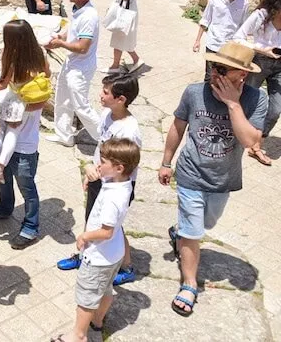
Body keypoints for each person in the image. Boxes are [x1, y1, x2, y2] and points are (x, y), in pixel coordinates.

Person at [159, 41, 266, 316]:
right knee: (193, 232)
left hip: (223, 179)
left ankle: (179, 231)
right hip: (190, 173)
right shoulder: (194, 92)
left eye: (221, 69)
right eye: (212, 66)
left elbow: (251, 141)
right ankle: (189, 284)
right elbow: (177, 127)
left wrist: (232, 103)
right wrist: (166, 162)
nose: (213, 73)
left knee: (206, 223)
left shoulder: (256, 99)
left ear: (242, 74)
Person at [51, 138, 140, 342]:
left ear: (118, 168)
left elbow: (106, 232)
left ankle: (78, 335)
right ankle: (97, 321)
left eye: (104, 161)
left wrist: (84, 236)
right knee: (106, 290)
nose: (99, 164)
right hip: (114, 254)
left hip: (98, 257)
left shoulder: (112, 199)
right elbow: (100, 174)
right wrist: (91, 175)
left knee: (86, 298)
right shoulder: (121, 183)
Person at [57, 74, 141, 286]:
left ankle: (127, 267)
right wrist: (92, 173)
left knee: (113, 226)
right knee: (92, 218)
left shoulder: (129, 130)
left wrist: (103, 177)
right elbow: (101, 148)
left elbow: (127, 166)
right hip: (99, 178)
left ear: (121, 99)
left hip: (115, 186)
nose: (100, 95)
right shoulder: (107, 114)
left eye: (105, 92)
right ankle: (84, 254)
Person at [0, 20, 50, 249]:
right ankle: (4, 207)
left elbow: (42, 90)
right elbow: (3, 84)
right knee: (4, 177)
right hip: (11, 122)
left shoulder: (33, 59)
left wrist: (27, 106)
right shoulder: (19, 57)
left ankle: (31, 226)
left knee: (26, 184)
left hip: (25, 141)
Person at [46, 0, 101, 147]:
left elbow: (83, 47)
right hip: (71, 63)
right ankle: (64, 135)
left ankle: (106, 138)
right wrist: (60, 36)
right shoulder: (78, 10)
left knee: (80, 105)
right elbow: (72, 30)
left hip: (81, 67)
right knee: (62, 99)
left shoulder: (89, 16)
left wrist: (61, 44)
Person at [233, 0, 281, 166]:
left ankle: (256, 145)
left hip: (279, 66)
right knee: (246, 101)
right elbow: (238, 37)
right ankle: (234, 136)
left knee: (276, 109)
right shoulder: (261, 16)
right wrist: (261, 49)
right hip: (259, 61)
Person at [193, 0, 249, 82]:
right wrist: (197, 41)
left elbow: (243, 26)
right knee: (210, 76)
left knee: (226, 76)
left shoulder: (244, 2)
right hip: (213, 43)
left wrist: (243, 46)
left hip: (230, 46)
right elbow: (205, 20)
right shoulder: (215, 0)